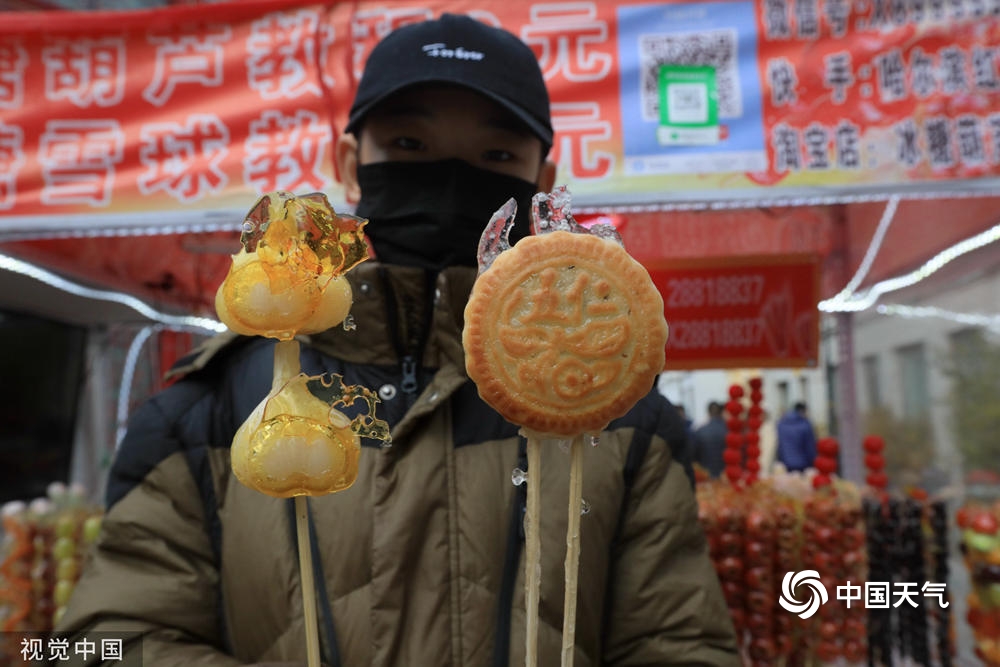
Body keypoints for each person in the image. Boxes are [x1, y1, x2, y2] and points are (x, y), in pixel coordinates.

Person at [55, 14, 739, 667]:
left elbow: (681, 641)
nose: (447, 176)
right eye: (409, 146)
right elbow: (96, 642)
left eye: (496, 154)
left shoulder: (619, 421)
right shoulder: (208, 411)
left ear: (541, 185)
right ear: (350, 164)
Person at [776, 401, 818, 473]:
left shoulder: (781, 423)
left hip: (786, 462)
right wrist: (813, 461)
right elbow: (809, 446)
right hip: (803, 463)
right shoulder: (805, 424)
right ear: (803, 410)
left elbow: (780, 445)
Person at [693, 401, 727, 478]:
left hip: (706, 474)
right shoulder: (729, 431)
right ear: (721, 412)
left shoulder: (700, 431)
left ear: (708, 412)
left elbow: (695, 455)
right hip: (726, 476)